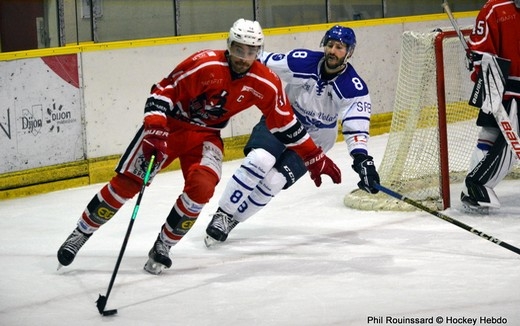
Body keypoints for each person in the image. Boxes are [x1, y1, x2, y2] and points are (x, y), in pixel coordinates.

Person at [56, 18, 341, 275]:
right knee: (128, 183)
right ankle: (80, 233)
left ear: (258, 52)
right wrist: (155, 131)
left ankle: (163, 246)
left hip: (206, 137)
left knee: (203, 186)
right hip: (169, 128)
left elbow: (284, 123)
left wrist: (314, 156)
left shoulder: (266, 82)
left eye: (251, 52)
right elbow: (163, 91)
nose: (244, 58)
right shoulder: (204, 63)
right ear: (229, 46)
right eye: (239, 49)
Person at [204, 25, 380, 247]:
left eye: (339, 47)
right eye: (330, 45)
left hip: (316, 138)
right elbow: (261, 60)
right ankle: (222, 213)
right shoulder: (302, 61)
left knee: (274, 181)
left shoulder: (353, 87)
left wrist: (362, 158)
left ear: (349, 52)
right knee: (260, 160)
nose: (332, 51)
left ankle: (232, 221)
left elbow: (356, 127)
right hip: (284, 120)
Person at [460, 0, 520, 213]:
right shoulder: (495, 8)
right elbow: (480, 48)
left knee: (492, 134)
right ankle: (476, 188)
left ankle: (472, 191)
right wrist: (484, 75)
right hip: (504, 86)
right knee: (504, 139)